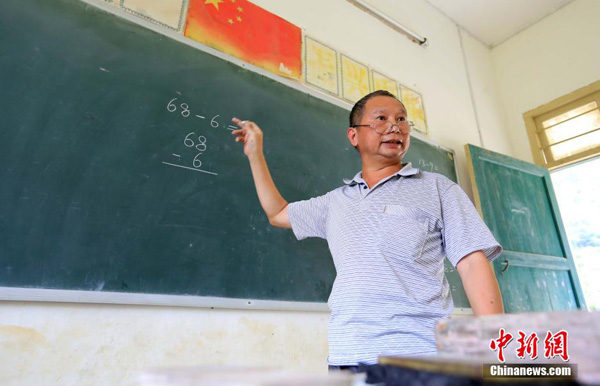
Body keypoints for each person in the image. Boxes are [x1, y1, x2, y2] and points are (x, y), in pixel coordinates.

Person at [231, 90, 503, 370]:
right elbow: (278, 213)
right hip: (347, 355)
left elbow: (472, 264)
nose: (394, 126)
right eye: (381, 119)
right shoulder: (335, 202)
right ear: (354, 136)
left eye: (401, 119)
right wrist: (255, 155)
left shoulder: (438, 189)